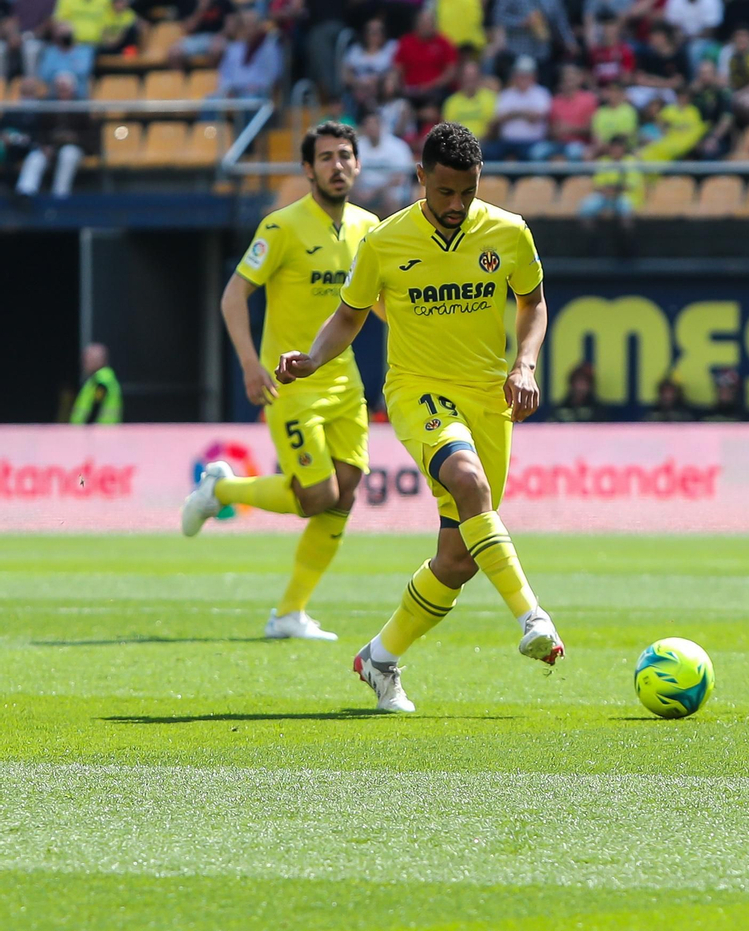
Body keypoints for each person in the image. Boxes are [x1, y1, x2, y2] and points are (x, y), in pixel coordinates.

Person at [271, 123, 561, 713]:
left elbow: (532, 303)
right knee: (469, 482)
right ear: (421, 177)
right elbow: (350, 315)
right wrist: (314, 357)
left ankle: (379, 658)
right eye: (445, 191)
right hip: (417, 391)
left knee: (457, 561)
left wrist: (525, 364)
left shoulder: (508, 231)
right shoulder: (385, 240)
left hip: (490, 399)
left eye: (468, 192)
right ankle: (532, 616)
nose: (456, 204)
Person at [182, 122, 383, 642]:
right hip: (289, 382)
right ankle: (220, 488)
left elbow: (379, 303)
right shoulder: (281, 227)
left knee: (345, 494)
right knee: (317, 496)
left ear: (358, 164)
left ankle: (290, 614)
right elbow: (233, 296)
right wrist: (250, 364)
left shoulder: (370, 228)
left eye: (345, 156)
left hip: (344, 381)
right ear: (308, 169)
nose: (337, 165)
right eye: (326, 157)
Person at [16, 72, 94, 198]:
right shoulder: (49, 106)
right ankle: (25, 193)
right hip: (51, 146)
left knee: (68, 154)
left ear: (72, 89)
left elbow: (89, 135)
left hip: (75, 147)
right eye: (59, 89)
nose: (62, 93)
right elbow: (41, 131)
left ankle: (59, 195)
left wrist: (73, 138)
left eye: (65, 89)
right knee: (36, 158)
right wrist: (44, 146)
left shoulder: (81, 108)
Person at [68, 343, 121, 425]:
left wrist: (88, 426)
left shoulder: (101, 380)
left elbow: (96, 405)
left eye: (88, 360)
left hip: (98, 430)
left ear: (99, 360)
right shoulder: (101, 378)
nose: (85, 364)